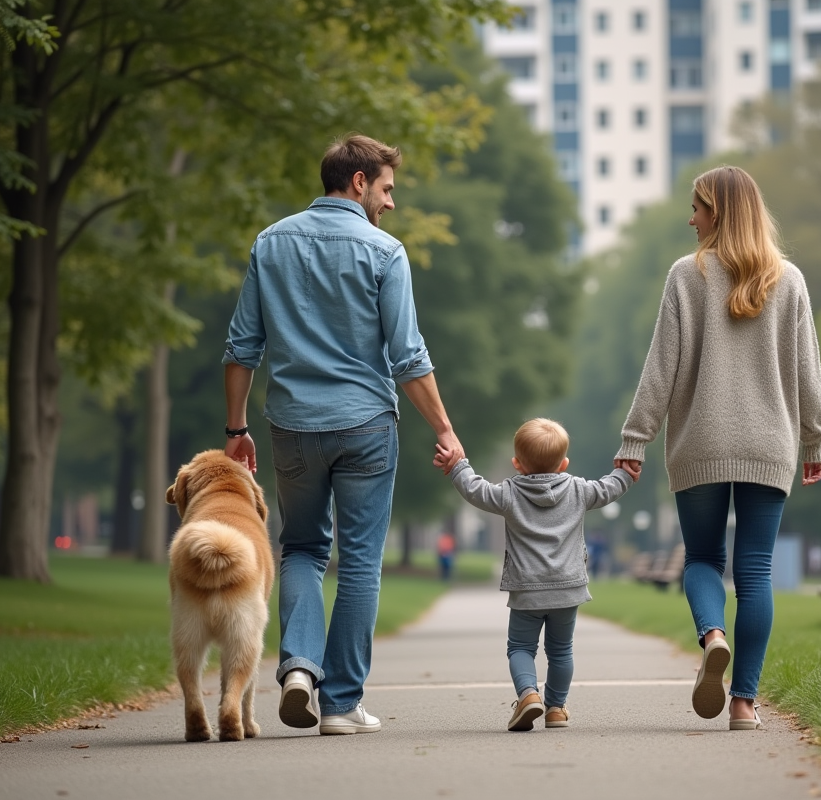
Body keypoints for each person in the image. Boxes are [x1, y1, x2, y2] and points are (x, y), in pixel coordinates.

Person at [222, 133, 465, 736]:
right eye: (386, 189)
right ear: (358, 182)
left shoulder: (270, 243)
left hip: (293, 426)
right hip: (366, 427)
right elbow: (408, 356)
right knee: (359, 563)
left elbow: (241, 346)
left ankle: (300, 669)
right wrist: (444, 428)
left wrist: (236, 428)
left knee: (301, 548)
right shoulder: (385, 252)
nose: (391, 203)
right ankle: (340, 704)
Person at [613, 165, 821, 731]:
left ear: (721, 212)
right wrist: (815, 438)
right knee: (755, 571)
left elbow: (661, 366)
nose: (691, 218)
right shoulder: (790, 279)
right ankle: (743, 703)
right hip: (769, 444)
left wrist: (635, 437)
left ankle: (712, 636)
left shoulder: (688, 275)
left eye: (698, 207)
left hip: (699, 441)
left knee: (703, 558)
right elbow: (809, 371)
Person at [437, 418, 632, 731]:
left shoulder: (509, 494)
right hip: (568, 588)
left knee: (521, 649)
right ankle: (556, 708)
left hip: (527, 589)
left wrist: (458, 466)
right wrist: (626, 470)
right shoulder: (580, 490)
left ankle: (528, 694)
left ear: (516, 464)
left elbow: (476, 490)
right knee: (561, 651)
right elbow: (609, 488)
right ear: (564, 463)